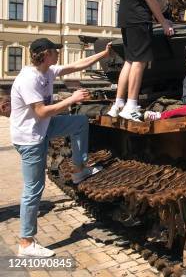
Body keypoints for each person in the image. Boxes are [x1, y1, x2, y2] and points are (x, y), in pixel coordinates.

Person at [11, 38, 112, 257]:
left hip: (42, 127)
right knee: (33, 189)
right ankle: (26, 243)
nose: (59, 54)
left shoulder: (47, 70)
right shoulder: (29, 78)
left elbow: (76, 65)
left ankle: (79, 170)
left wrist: (103, 56)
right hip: (30, 138)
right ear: (46, 54)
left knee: (79, 123)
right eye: (55, 51)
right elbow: (40, 112)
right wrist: (72, 99)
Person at [108, 0, 179, 122]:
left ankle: (118, 104)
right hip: (139, 18)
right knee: (139, 62)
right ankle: (131, 105)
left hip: (126, 18)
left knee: (129, 61)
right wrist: (163, 22)